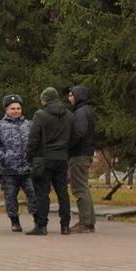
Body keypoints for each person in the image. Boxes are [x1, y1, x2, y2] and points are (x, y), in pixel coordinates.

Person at [26, 87, 73, 236]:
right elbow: (74, 136)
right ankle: (65, 225)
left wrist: (30, 156)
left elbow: (34, 138)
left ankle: (41, 225)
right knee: (63, 193)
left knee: (42, 192)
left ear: (45, 100)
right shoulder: (69, 115)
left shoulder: (40, 115)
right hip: (62, 158)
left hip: (43, 159)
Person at [0, 93, 34, 231]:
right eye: (12, 108)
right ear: (6, 110)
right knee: (10, 197)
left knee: (33, 194)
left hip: (27, 168)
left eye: (18, 108)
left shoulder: (29, 125)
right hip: (9, 169)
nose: (16, 111)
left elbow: (35, 142)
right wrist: (4, 157)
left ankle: (37, 219)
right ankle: (15, 221)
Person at [66, 85, 96, 233]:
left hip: (79, 154)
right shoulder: (86, 110)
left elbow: (79, 133)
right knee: (83, 187)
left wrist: (68, 146)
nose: (69, 98)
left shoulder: (80, 112)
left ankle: (85, 222)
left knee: (79, 188)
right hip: (85, 153)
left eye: (72, 95)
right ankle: (89, 221)